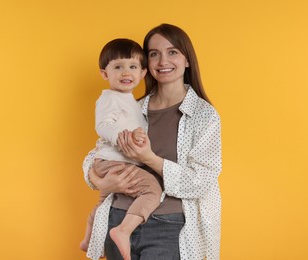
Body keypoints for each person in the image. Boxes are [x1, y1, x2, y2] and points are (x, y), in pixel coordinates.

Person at [83, 23, 222, 260]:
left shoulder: (203, 115)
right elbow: (97, 153)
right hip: (116, 218)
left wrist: (149, 159)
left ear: (187, 60)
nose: (162, 61)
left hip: (169, 227)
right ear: (147, 64)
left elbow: (201, 181)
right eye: (154, 54)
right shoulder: (134, 107)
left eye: (172, 52)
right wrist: (99, 180)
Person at [80, 38, 163, 260]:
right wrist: (122, 138)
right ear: (105, 74)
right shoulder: (110, 98)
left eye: (133, 67)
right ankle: (123, 230)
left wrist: (136, 134)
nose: (126, 72)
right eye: (118, 67)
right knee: (152, 190)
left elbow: (130, 127)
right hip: (116, 161)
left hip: (112, 161)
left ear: (143, 72)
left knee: (103, 202)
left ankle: (88, 237)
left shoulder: (131, 102)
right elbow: (103, 125)